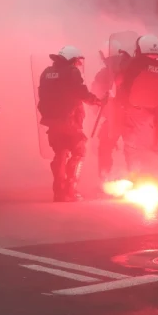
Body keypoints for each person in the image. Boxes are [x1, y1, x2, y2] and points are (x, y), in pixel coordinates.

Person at [37, 46, 102, 202]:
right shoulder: (71, 72)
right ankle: (71, 190)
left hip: (52, 121)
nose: (78, 65)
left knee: (60, 152)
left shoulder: (46, 72)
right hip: (69, 120)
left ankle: (59, 192)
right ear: (72, 59)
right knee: (79, 151)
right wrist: (97, 101)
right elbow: (80, 92)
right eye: (78, 61)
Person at [116, 34, 158, 186]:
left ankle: (135, 178)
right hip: (156, 114)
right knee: (149, 145)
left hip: (135, 110)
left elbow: (125, 84)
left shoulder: (136, 63)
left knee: (132, 145)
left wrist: (121, 104)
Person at [91, 37, 132, 181]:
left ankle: (105, 179)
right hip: (133, 118)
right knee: (134, 149)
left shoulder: (103, 74)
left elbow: (95, 100)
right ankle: (139, 178)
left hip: (113, 119)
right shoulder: (131, 70)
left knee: (104, 147)